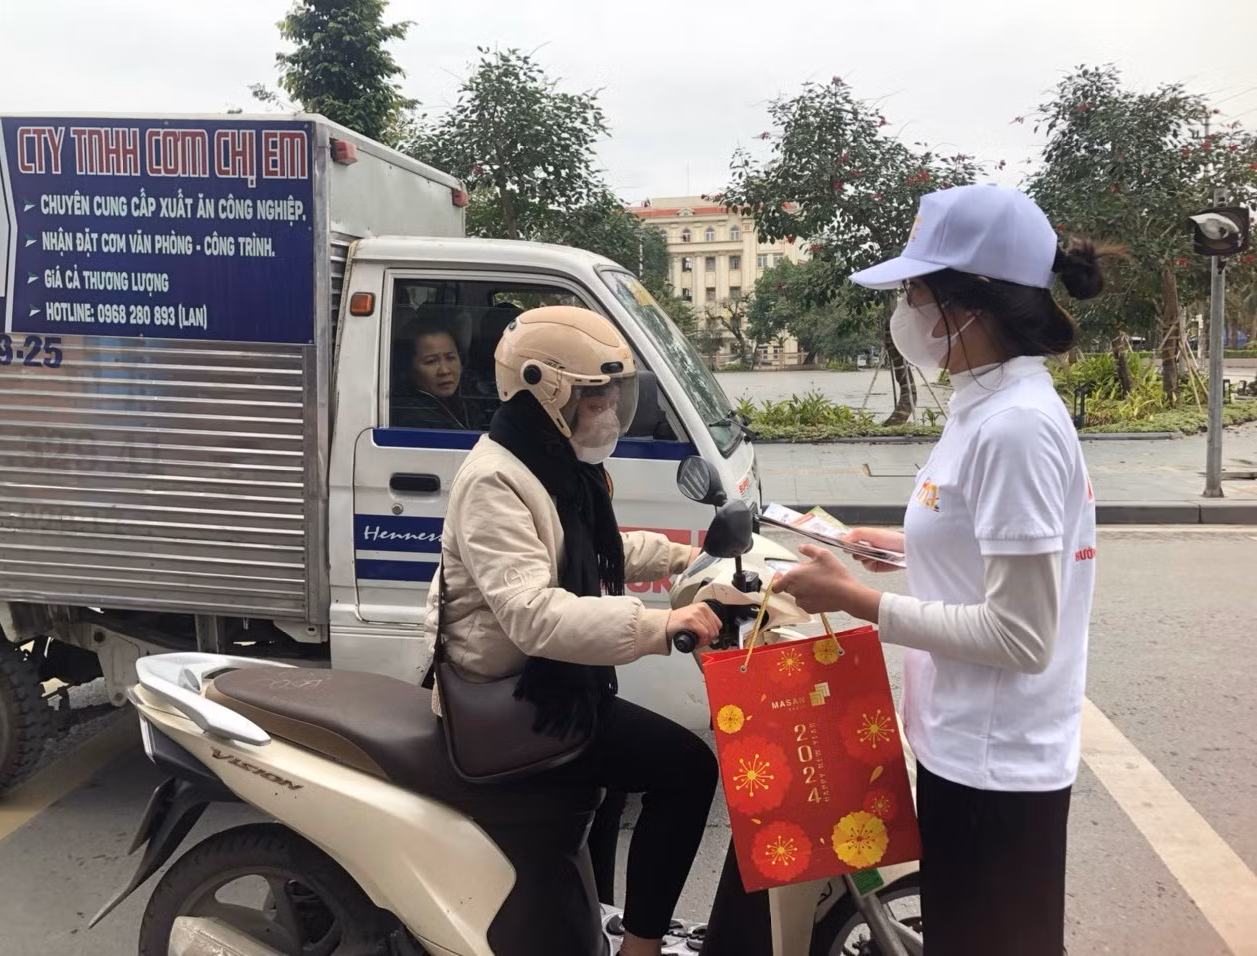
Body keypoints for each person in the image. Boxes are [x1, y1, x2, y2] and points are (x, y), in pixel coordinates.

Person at [773, 185, 1117, 956]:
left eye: (914, 292)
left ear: (969, 305)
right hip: (966, 742)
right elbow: (981, 548)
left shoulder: (1015, 429)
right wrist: (889, 546)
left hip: (996, 762)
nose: (905, 313)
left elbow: (1022, 634)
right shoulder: (983, 405)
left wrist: (859, 600)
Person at [424, 305, 722, 956]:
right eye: (600, 394)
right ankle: (640, 949)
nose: (612, 409)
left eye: (615, 392)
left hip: (553, 683)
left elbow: (595, 548)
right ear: (549, 390)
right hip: (511, 693)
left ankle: (593, 927)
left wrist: (691, 558)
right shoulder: (495, 480)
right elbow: (534, 614)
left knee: (614, 789)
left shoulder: (554, 462)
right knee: (687, 768)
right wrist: (664, 624)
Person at [391, 320, 483, 430]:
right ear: (407, 367)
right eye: (431, 361)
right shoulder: (412, 419)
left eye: (450, 358)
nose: (444, 371)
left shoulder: (466, 398)